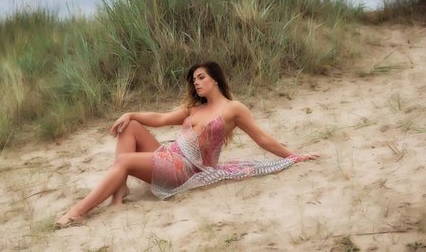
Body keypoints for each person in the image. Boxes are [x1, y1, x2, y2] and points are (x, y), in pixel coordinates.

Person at [56, 61, 318, 227]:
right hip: (170, 155)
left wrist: (294, 155)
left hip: (186, 169)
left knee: (123, 161)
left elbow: (262, 138)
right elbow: (159, 119)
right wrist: (131, 114)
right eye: (194, 79)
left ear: (215, 79)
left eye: (201, 77)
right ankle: (119, 191)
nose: (197, 82)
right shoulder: (194, 108)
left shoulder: (233, 109)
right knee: (131, 127)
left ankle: (78, 212)